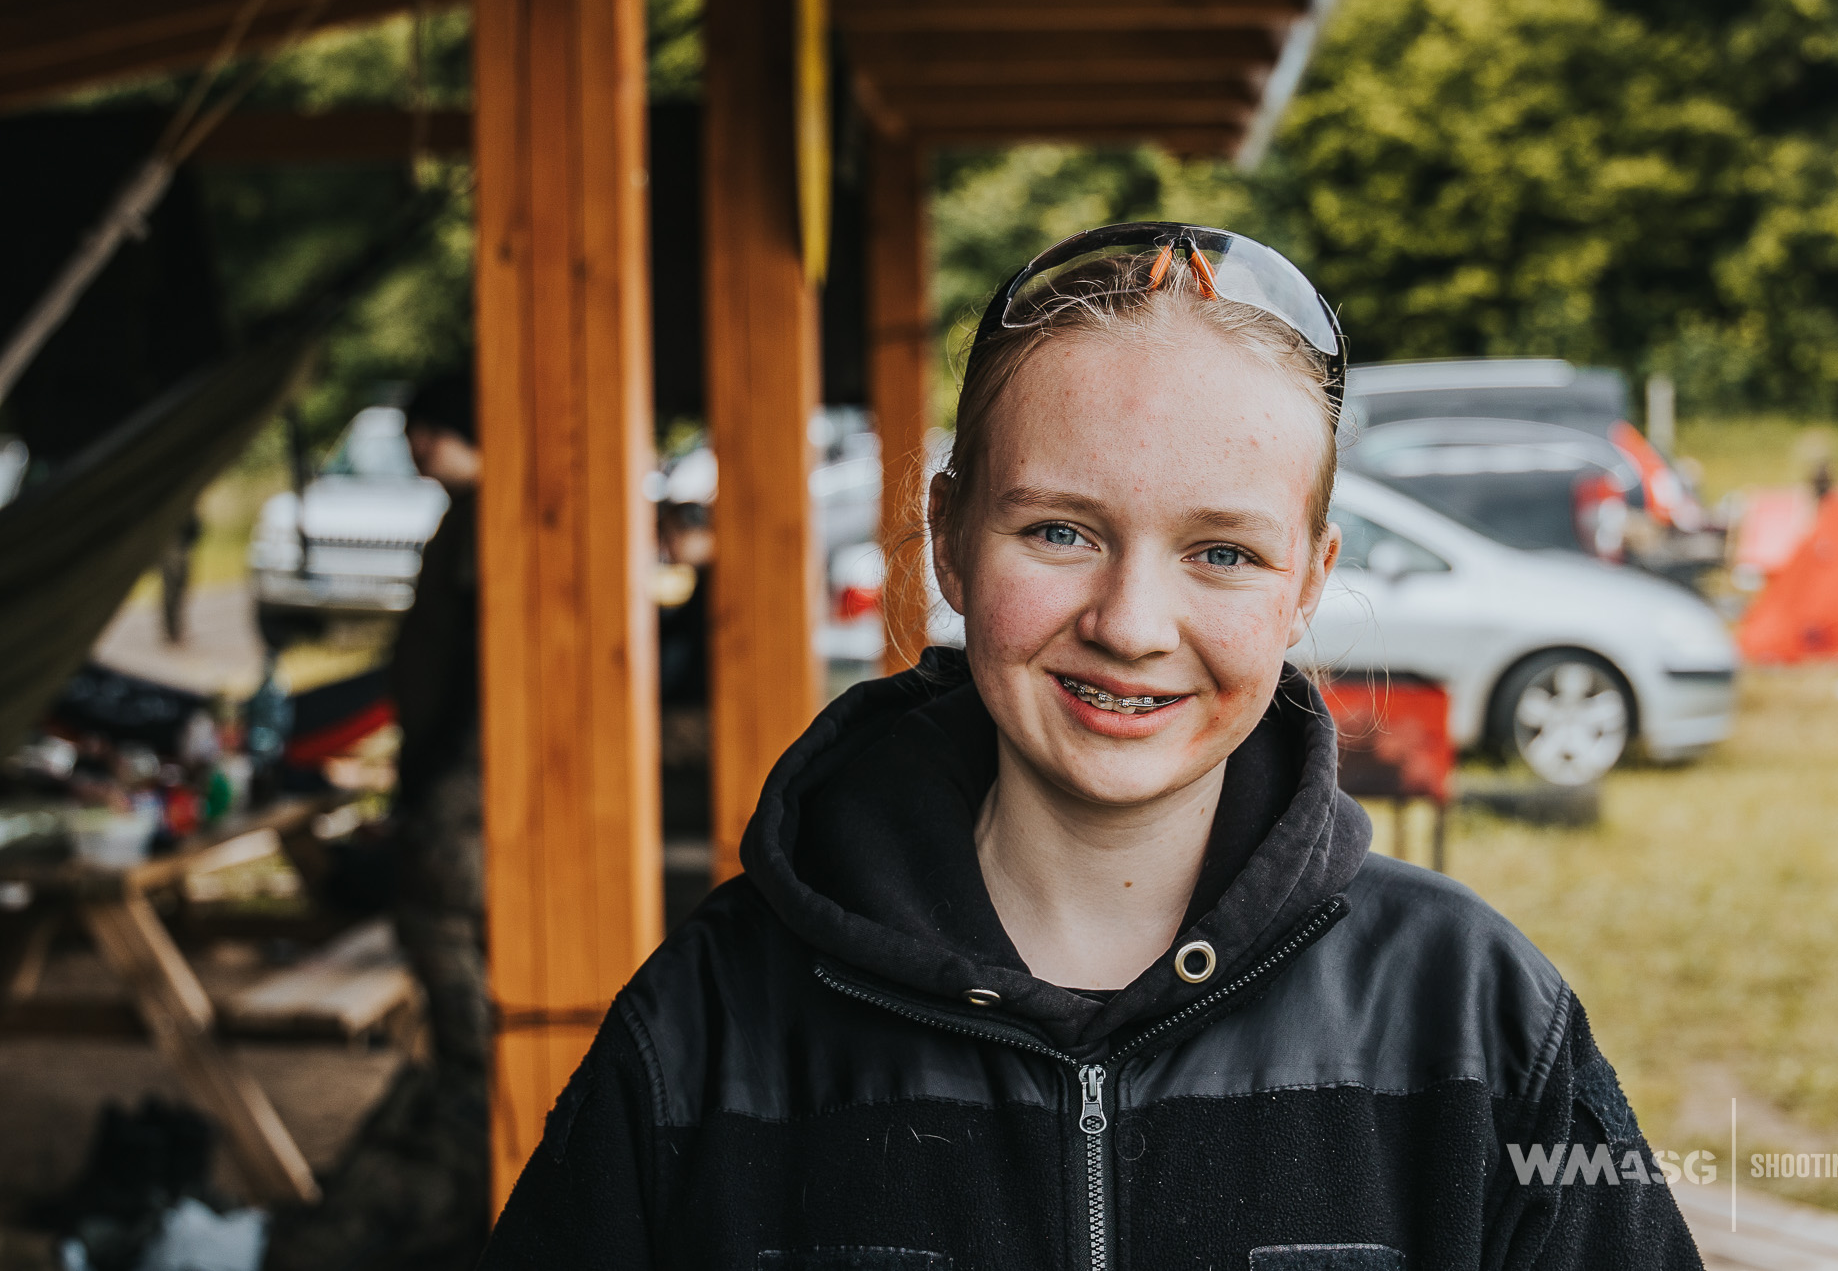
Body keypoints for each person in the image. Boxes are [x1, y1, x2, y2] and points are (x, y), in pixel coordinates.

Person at [480, 225, 1703, 1270]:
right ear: (949, 539)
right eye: (1060, 531)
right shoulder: (711, 1023)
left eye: (1222, 552)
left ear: (1307, 587)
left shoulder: (1471, 1015)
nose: (1128, 625)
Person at [265, 368, 489, 1271]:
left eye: (420, 433)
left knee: (458, 993)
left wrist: (433, 778)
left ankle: (451, 1169)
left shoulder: (482, 519)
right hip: (449, 790)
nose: (414, 451)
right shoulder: (469, 520)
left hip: (457, 795)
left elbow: (462, 672)